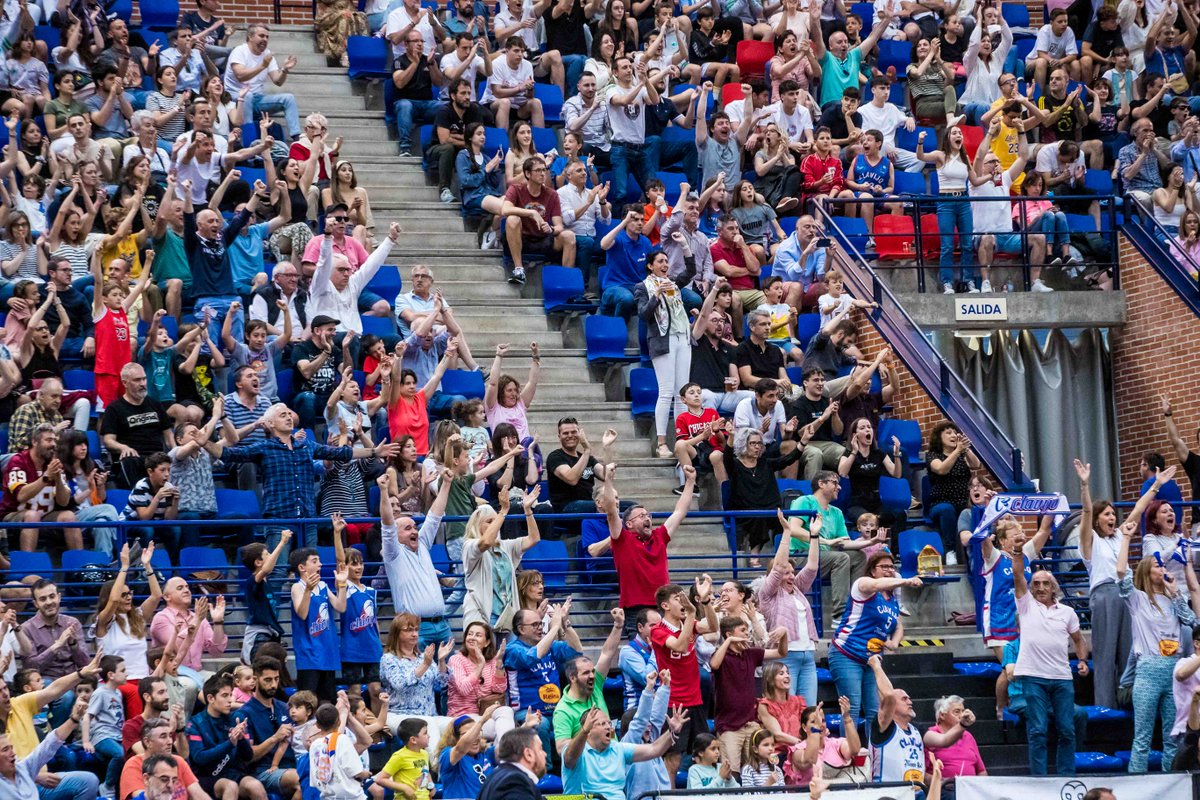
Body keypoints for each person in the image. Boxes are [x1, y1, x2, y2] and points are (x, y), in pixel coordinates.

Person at [1115, 500, 1200, 773]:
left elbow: (1191, 621)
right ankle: (1137, 785)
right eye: (1156, 566)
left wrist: (1176, 592)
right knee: (1142, 737)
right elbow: (1120, 574)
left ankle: (1168, 783)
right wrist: (1126, 539)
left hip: (1173, 668)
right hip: (1149, 668)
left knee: (1171, 738)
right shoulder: (1138, 599)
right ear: (1146, 571)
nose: (1162, 569)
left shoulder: (1172, 598)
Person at [1013, 563, 1089, 776]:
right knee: (1038, 731)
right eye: (1036, 584)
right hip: (1033, 676)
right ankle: (1040, 780)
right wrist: (1018, 553)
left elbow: (1079, 640)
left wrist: (1082, 660)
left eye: (1046, 583)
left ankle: (1066, 777)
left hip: (1061, 677)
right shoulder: (1026, 605)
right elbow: (1018, 574)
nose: (1040, 587)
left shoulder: (1068, 612)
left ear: (1053, 587)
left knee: (1067, 730)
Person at [829, 551, 921, 721]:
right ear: (872, 570)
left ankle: (874, 748)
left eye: (892, 567)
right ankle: (850, 748)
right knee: (852, 709)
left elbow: (898, 624)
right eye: (884, 566)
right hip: (847, 653)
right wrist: (905, 581)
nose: (889, 570)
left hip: (873, 660)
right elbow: (876, 585)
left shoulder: (892, 598)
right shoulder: (863, 585)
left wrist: (894, 641)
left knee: (875, 711)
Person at [650, 578, 718, 778]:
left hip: (695, 700)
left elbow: (713, 626)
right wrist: (690, 615)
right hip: (672, 703)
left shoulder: (689, 623)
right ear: (665, 606)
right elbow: (679, 645)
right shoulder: (657, 630)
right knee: (673, 760)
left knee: (707, 753)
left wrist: (705, 603)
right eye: (677, 598)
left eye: (683, 596)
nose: (682, 601)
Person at [636, 247, 697, 457]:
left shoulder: (673, 283)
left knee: (682, 393)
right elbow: (643, 314)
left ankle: (682, 440)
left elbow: (691, 271)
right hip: (663, 341)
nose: (664, 265)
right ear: (650, 266)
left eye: (666, 261)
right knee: (666, 392)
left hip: (683, 338)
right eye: (660, 262)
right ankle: (661, 443)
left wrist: (686, 248)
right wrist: (656, 295)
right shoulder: (642, 287)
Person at [562, 705, 686, 800]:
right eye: (602, 724)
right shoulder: (574, 750)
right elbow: (569, 758)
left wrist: (672, 732)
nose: (608, 727)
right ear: (588, 729)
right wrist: (583, 731)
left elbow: (654, 749)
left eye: (609, 723)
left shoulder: (618, 748)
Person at [500, 157, 575, 285]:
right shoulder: (516, 189)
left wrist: (551, 229)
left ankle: (566, 282)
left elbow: (559, 226)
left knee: (569, 236)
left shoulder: (552, 194)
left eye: (544, 170)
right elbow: (505, 210)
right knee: (512, 219)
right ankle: (519, 270)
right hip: (520, 240)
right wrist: (531, 212)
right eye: (538, 170)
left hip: (543, 239)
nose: (542, 174)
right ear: (528, 174)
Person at [223, 24, 301, 142]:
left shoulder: (267, 54)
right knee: (247, 96)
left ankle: (296, 140)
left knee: (288, 98)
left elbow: (277, 81)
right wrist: (263, 66)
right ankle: (250, 142)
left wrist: (284, 70)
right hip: (235, 98)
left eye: (267, 37)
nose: (265, 39)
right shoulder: (239, 51)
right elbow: (241, 76)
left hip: (257, 99)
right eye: (261, 36)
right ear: (250, 37)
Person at [866, 654, 926, 784]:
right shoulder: (883, 726)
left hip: (916, 792)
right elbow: (889, 695)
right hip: (888, 794)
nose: (910, 702)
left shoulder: (916, 730)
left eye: (909, 698)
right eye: (904, 699)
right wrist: (876, 666)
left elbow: (943, 740)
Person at [922, 695, 986, 787]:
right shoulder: (930, 736)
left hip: (970, 790)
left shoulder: (968, 736)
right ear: (942, 715)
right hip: (944, 789)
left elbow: (981, 771)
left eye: (963, 711)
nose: (962, 715)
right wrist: (945, 783)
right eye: (957, 712)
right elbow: (921, 774)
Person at [476, 727, 547, 800]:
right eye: (540, 748)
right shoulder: (516, 782)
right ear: (528, 754)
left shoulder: (493, 777)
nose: (545, 754)